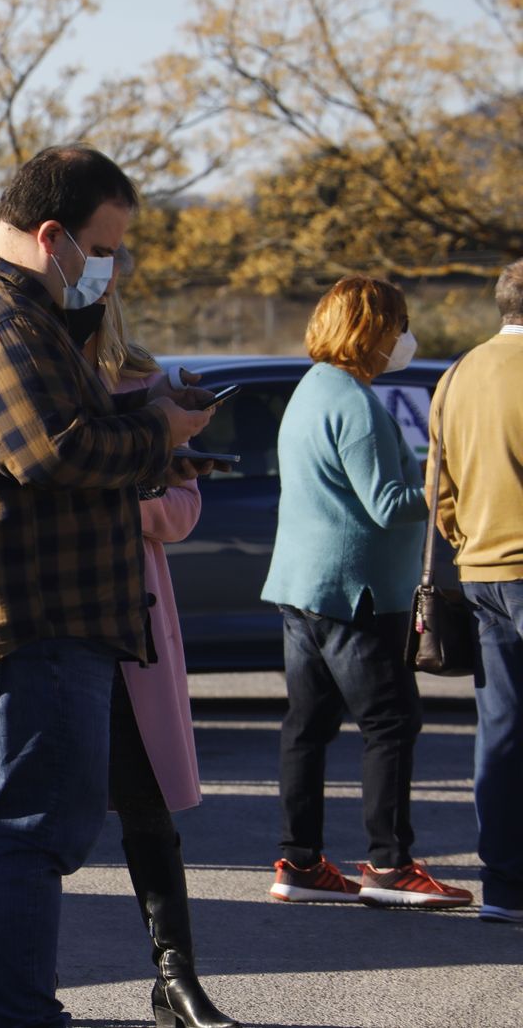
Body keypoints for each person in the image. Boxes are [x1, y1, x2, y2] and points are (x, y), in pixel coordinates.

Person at [0, 145, 214, 1028]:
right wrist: (156, 429)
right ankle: (14, 1014)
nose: (110, 268)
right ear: (54, 233)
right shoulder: (4, 316)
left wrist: (151, 428)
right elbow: (50, 450)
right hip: (21, 625)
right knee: (24, 838)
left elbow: (33, 436)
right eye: (105, 247)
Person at [261, 275, 471, 908]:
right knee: (392, 722)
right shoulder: (352, 401)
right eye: (398, 324)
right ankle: (390, 866)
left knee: (309, 725)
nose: (404, 338)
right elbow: (387, 504)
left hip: (302, 585)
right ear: (371, 329)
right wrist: (449, 479)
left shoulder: (311, 389)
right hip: (355, 591)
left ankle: (299, 862)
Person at [85, 273, 237, 1028]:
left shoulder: (149, 383)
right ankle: (8, 979)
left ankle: (176, 977)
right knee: (33, 818)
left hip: (135, 626)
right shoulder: (30, 380)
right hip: (50, 624)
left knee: (149, 816)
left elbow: (183, 506)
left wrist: (122, 502)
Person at [427, 258, 523, 925]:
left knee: (502, 731)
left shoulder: (458, 373)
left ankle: (505, 888)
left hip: (483, 569)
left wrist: (468, 541)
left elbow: (442, 487)